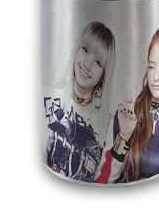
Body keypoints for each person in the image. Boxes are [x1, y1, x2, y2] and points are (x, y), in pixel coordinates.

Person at [95, 17, 159, 183]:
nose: (155, 76)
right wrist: (123, 136)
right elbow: (106, 180)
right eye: (151, 66)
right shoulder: (127, 114)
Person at [41, 21, 116, 182]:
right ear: (76, 49)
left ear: (103, 75)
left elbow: (105, 181)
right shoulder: (45, 97)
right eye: (85, 50)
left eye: (98, 62)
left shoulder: (108, 125)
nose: (87, 65)